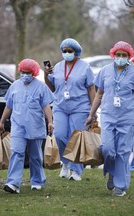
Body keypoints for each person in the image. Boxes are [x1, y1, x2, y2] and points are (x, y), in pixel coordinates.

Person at [85, 41, 134, 197]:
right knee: (108, 149)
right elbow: (98, 94)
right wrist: (91, 114)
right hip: (109, 116)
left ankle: (120, 186)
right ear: (113, 55)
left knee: (123, 152)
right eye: (118, 55)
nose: (121, 57)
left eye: (124, 55)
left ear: (129, 57)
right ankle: (112, 171)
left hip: (127, 118)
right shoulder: (104, 71)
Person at [0, 58, 55, 194]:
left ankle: (37, 180)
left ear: (33, 73)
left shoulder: (41, 87)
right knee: (16, 153)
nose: (25, 75)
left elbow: (46, 106)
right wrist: (2, 122)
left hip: (35, 126)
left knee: (35, 156)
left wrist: (50, 121)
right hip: (18, 126)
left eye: (28, 72)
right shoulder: (15, 86)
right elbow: (9, 105)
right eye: (23, 72)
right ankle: (13, 183)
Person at [44, 38, 95, 181]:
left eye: (69, 51)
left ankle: (76, 171)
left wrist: (93, 111)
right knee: (59, 135)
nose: (66, 53)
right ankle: (65, 163)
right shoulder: (58, 67)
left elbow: (91, 88)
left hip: (80, 107)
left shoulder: (85, 67)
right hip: (60, 106)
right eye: (64, 51)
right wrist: (46, 74)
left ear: (76, 52)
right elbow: (52, 87)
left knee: (76, 138)